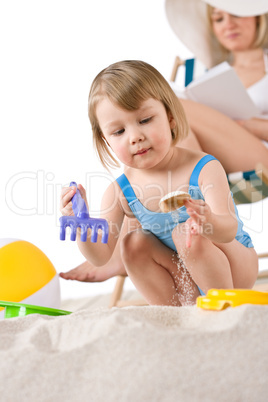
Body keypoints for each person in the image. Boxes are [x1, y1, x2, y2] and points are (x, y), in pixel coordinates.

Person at [60, 60, 258, 306]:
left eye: (145, 120)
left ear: (171, 117)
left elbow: (228, 230)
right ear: (106, 139)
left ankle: (223, 309)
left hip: (233, 268)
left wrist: (209, 222)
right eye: (119, 132)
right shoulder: (119, 191)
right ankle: (174, 313)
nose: (135, 137)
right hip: (184, 276)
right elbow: (100, 256)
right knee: (132, 243)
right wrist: (82, 226)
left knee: (185, 231)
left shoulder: (204, 168)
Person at [165, 0, 268, 173]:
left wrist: (247, 125)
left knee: (170, 104)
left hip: (261, 155)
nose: (228, 25)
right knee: (175, 121)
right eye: (219, 19)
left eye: (236, 14)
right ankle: (194, 191)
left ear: (257, 18)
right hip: (214, 157)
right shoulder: (208, 79)